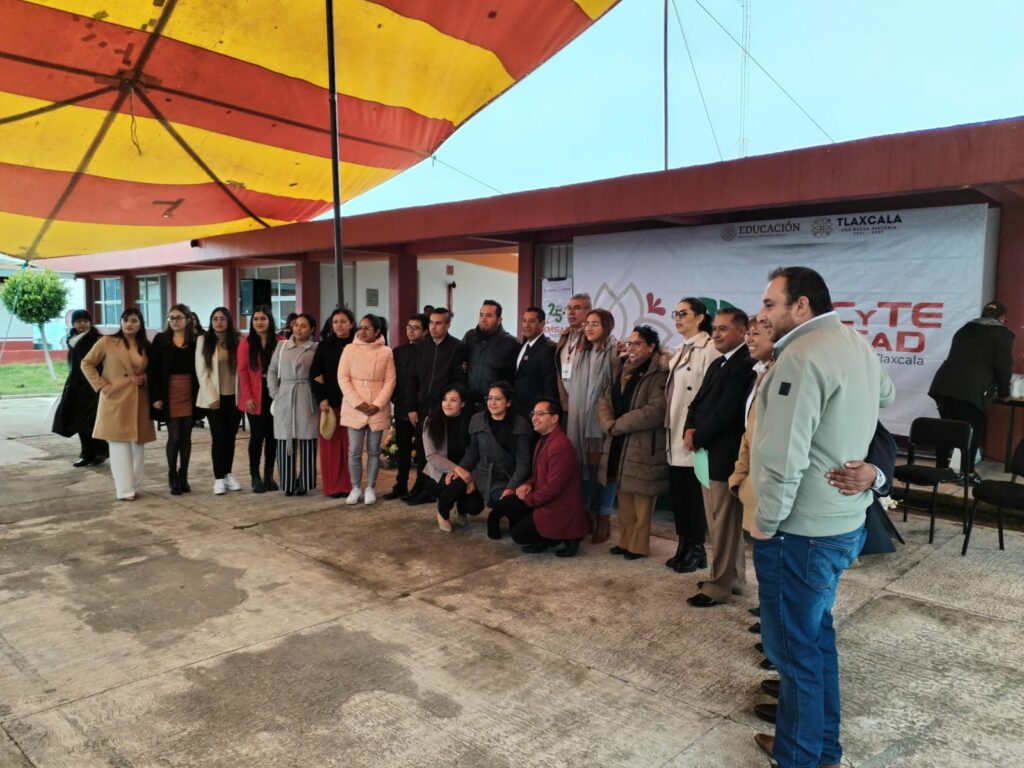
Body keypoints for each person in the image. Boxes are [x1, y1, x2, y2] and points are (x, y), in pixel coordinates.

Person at [750, 266, 894, 768]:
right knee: (814, 641)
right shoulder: (854, 342)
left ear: (802, 306)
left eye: (771, 304)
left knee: (794, 653)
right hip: (840, 523)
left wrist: (766, 522)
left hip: (800, 530)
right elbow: (887, 395)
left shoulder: (802, 355)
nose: (764, 314)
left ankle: (799, 756)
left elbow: (782, 456)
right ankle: (820, 747)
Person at [684, 308, 756, 608]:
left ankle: (718, 586)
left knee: (724, 525)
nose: (716, 334)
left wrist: (698, 436)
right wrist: (689, 427)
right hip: (707, 454)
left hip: (725, 456)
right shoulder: (719, 362)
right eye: (714, 328)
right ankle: (733, 579)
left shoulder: (745, 365)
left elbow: (726, 413)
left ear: (742, 331)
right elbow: (698, 401)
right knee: (718, 524)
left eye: (723, 329)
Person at [597, 325, 669, 560]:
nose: (632, 348)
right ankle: (625, 541)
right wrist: (608, 424)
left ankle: (638, 546)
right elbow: (605, 399)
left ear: (651, 347)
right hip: (619, 442)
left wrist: (618, 425)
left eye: (638, 344)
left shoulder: (659, 372)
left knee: (642, 499)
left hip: (643, 444)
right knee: (624, 495)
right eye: (630, 343)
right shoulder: (620, 367)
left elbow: (656, 410)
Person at [489, 397, 591, 556]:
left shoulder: (559, 446)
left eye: (541, 414)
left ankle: (567, 537)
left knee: (518, 534)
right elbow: (539, 474)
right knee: (509, 502)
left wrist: (529, 500)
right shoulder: (544, 439)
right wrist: (528, 484)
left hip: (558, 506)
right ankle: (544, 537)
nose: (534, 418)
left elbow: (553, 488)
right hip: (544, 498)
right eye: (533, 414)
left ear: (554, 418)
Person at [664, 297, 720, 573]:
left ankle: (697, 548)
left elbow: (710, 395)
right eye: (675, 313)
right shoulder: (679, 350)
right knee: (679, 495)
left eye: (683, 313)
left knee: (694, 496)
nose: (678, 318)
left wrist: (696, 429)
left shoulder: (710, 349)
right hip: (673, 430)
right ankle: (683, 543)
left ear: (700, 318)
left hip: (692, 433)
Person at [928, 300, 1014, 477]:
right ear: (1002, 318)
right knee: (973, 430)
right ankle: (967, 473)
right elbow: (1003, 366)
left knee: (947, 428)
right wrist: (1004, 392)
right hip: (972, 390)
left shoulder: (964, 329)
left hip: (944, 386)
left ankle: (941, 470)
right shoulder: (1001, 333)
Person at [80, 308, 156, 501]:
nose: (129, 324)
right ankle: (124, 490)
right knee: (118, 444)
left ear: (140, 324)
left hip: (139, 399)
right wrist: (102, 386)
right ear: (121, 322)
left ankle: (135, 485)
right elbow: (86, 363)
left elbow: (153, 370)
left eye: (134, 321)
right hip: (115, 397)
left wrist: (145, 379)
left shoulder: (146, 345)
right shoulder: (107, 342)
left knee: (138, 446)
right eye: (125, 320)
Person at [439, 382, 531, 527]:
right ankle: (447, 511)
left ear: (508, 402)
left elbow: (523, 463)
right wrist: (459, 469)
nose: (492, 403)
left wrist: (511, 487)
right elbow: (472, 453)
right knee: (465, 496)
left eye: (498, 399)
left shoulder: (520, 424)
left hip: (507, 477)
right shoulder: (478, 420)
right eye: (489, 398)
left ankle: (499, 515)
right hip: (481, 475)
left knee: (512, 506)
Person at [565, 308, 620, 543]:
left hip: (601, 425)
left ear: (606, 327)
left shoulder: (615, 352)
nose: (589, 327)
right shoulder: (581, 353)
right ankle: (586, 512)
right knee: (584, 470)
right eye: (587, 323)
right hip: (579, 423)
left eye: (595, 324)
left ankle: (603, 516)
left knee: (604, 471)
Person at [406, 307, 464, 499]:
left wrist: (450, 404)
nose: (433, 327)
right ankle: (419, 485)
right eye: (431, 322)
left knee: (439, 450)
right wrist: (411, 407)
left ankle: (432, 489)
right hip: (422, 407)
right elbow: (412, 378)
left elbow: (459, 381)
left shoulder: (457, 347)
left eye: (438, 323)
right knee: (421, 449)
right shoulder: (422, 347)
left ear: (447, 325)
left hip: (443, 408)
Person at [338, 314, 396, 505]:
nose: (362, 331)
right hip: (354, 406)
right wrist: (358, 403)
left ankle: (370, 487)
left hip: (376, 407)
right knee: (354, 450)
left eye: (367, 328)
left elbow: (390, 381)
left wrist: (377, 404)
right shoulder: (349, 349)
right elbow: (343, 378)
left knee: (374, 450)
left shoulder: (386, 352)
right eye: (360, 327)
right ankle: (355, 487)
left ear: (377, 331)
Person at [149, 303, 200, 495]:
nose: (174, 321)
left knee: (186, 436)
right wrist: (155, 396)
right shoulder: (161, 339)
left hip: (190, 391)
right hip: (168, 391)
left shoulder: (196, 340)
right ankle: (172, 475)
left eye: (179, 317)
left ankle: (183, 475)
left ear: (188, 320)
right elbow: (152, 370)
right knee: (175, 436)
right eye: (171, 317)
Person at [267, 312, 319, 496]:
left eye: (304, 326)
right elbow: (272, 370)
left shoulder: (315, 348)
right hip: (285, 395)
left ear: (312, 329)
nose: (298, 329)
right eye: (296, 325)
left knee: (307, 439)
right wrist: (275, 393)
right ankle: (288, 483)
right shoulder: (282, 346)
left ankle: (304, 483)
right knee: (284, 439)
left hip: (306, 396)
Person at [52, 309, 108, 467]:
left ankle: (99, 451)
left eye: (85, 321)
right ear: (73, 323)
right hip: (75, 386)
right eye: (78, 321)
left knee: (89, 421)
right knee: (77, 421)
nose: (82, 324)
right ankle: (88, 453)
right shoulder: (71, 339)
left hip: (91, 386)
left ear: (90, 322)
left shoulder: (97, 339)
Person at [196, 307, 242, 495]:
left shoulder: (238, 340)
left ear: (228, 320)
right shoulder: (203, 340)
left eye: (222, 318)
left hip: (235, 397)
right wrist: (211, 397)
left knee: (230, 437)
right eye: (215, 318)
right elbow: (202, 372)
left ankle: (228, 474)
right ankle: (218, 478)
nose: (218, 321)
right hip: (214, 398)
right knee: (218, 438)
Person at [311, 307, 356, 498]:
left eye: (343, 321)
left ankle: (350, 485)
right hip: (330, 403)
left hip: (353, 403)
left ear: (351, 324)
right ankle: (333, 487)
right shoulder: (324, 346)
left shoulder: (358, 345)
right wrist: (321, 398)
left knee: (350, 446)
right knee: (331, 445)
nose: (339, 325)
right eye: (335, 322)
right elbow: (314, 374)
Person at [384, 313, 427, 500]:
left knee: (423, 449)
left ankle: (421, 485)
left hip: (422, 408)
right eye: (408, 327)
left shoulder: (430, 351)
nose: (410, 331)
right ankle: (400, 485)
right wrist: (395, 398)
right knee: (403, 449)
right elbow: (392, 379)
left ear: (425, 331)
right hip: (402, 406)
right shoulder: (399, 351)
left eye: (415, 328)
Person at [237, 305, 279, 493]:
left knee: (273, 436)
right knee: (257, 435)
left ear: (270, 320)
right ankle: (255, 475)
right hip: (254, 394)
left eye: (263, 318)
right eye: (256, 319)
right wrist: (247, 396)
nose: (259, 322)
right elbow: (242, 371)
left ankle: (269, 475)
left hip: (275, 392)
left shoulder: (280, 341)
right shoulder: (246, 343)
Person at [421, 384, 473, 531]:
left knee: (475, 505)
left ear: (463, 403)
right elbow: (431, 456)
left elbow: (474, 452)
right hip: (438, 474)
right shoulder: (431, 421)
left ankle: (461, 508)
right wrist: (457, 470)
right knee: (459, 485)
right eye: (444, 399)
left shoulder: (470, 422)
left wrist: (465, 472)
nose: (447, 404)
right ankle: (443, 512)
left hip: (465, 471)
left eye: (453, 400)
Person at [462, 300, 520, 412]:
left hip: (495, 406)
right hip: (468, 403)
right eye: (481, 315)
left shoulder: (511, 343)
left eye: (488, 316)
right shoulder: (470, 336)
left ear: (499, 320)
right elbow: (459, 360)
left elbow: (516, 379)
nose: (483, 319)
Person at [513, 306, 558, 419]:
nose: (526, 325)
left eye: (531, 321)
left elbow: (550, 386)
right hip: (517, 411)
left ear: (542, 324)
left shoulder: (548, 349)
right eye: (524, 321)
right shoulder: (523, 345)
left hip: (535, 413)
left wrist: (545, 414)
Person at [555, 292, 592, 410]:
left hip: (587, 405)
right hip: (566, 404)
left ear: (589, 311)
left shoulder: (593, 337)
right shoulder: (564, 336)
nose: (571, 312)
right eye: (569, 308)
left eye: (577, 308)